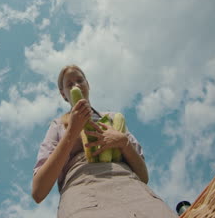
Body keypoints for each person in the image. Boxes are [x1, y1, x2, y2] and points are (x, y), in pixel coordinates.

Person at [32, 64, 177, 218]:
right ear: (63, 94)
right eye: (69, 84)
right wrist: (71, 132)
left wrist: (123, 143)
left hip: (133, 189)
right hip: (84, 197)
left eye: (80, 80)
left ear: (88, 85)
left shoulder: (114, 118)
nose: (76, 85)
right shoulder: (58, 125)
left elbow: (144, 177)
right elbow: (38, 191)